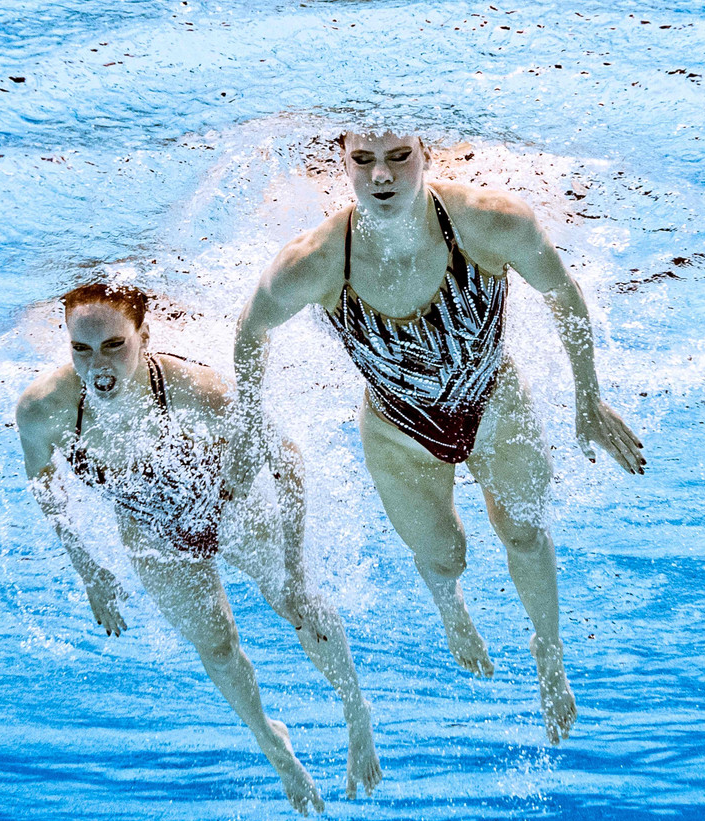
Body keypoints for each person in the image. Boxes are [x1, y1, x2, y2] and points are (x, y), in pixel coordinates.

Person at [229, 131, 645, 745]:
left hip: (498, 405)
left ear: (426, 154)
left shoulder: (487, 224)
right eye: (363, 160)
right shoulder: (317, 261)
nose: (381, 177)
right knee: (444, 554)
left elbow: (561, 291)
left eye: (399, 157)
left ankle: (549, 652)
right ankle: (452, 611)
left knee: (525, 533)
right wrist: (250, 432)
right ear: (342, 163)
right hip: (400, 438)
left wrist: (588, 400)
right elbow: (249, 335)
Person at [16, 281, 381, 813]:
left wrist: (297, 565)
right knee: (215, 645)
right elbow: (45, 489)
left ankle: (356, 714)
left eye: (114, 345)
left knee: (294, 603)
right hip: (150, 528)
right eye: (82, 348)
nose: (98, 365)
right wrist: (89, 570)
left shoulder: (195, 391)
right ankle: (273, 746)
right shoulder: (41, 411)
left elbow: (287, 461)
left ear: (143, 335)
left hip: (227, 501)